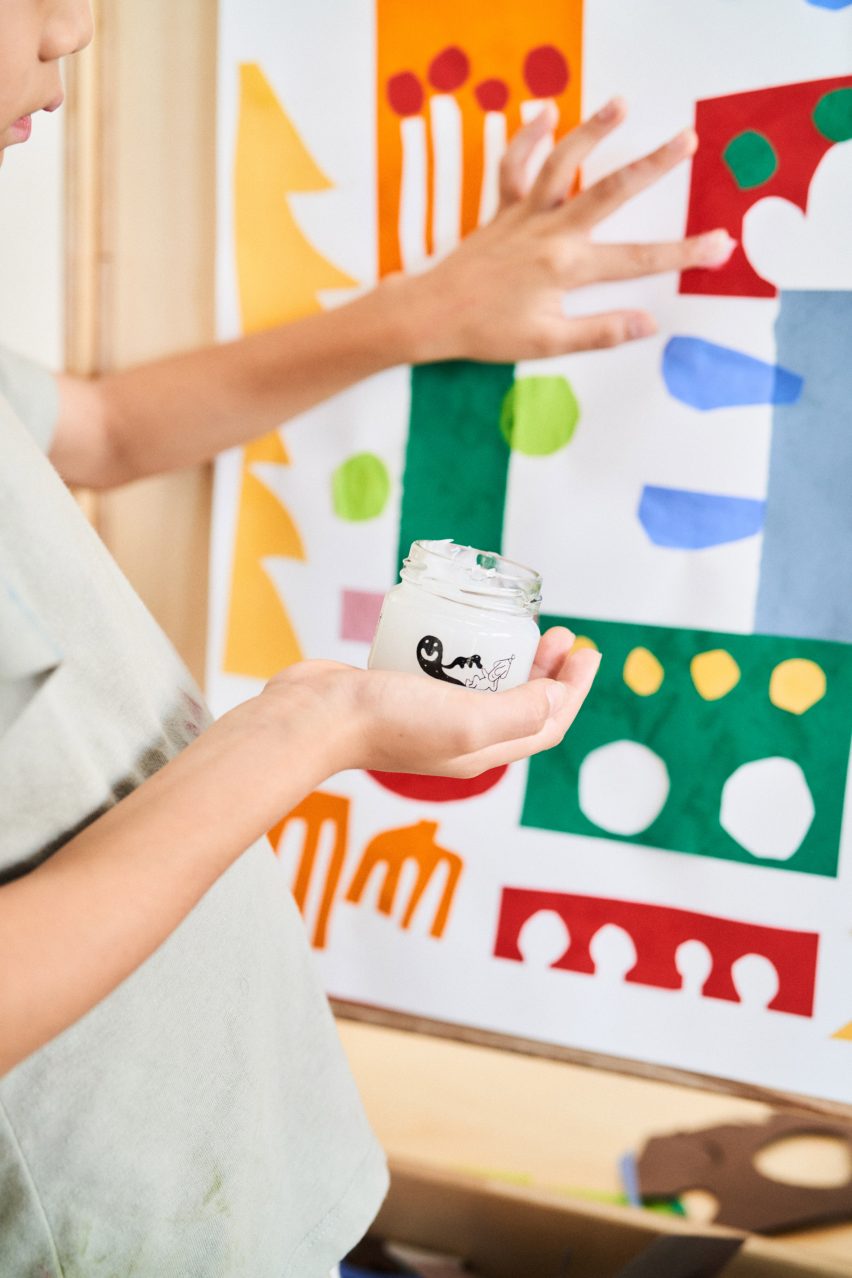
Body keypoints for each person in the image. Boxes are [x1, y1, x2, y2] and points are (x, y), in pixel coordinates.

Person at [0, 3, 736, 1274]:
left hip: (263, 1177)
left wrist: (427, 312)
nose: (72, 30)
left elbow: (105, 429)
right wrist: (313, 725)